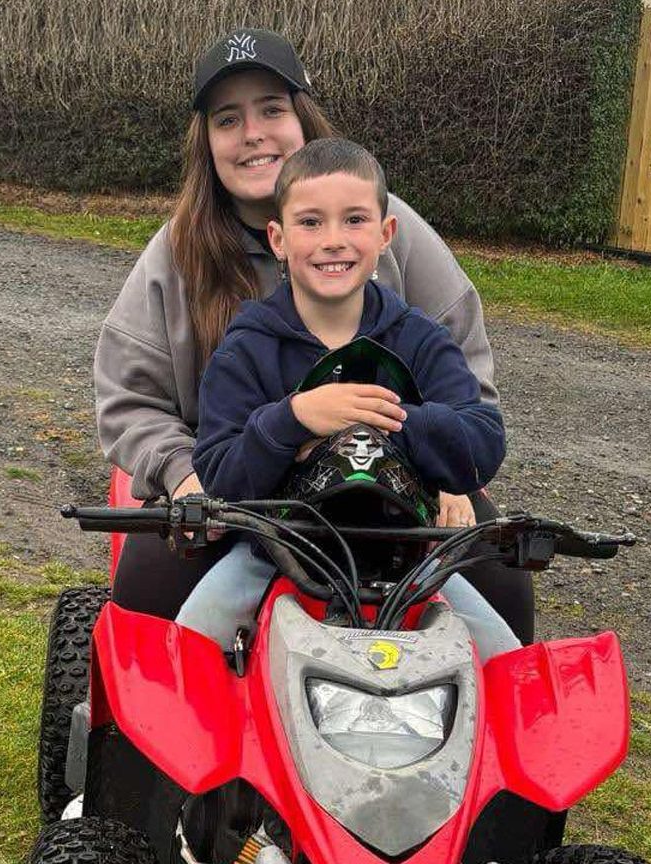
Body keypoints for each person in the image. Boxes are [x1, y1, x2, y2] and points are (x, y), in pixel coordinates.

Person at [93, 28, 534, 643]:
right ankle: (143, 733)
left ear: (303, 119)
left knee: (504, 581)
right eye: (228, 119)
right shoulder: (178, 253)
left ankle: (487, 725)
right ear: (208, 143)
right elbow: (130, 400)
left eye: (272, 110)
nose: (253, 134)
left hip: (403, 476)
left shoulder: (391, 228)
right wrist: (187, 476)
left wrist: (451, 478)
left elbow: (466, 391)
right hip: (238, 482)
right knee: (148, 586)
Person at [178, 138, 519, 658]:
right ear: (278, 238)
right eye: (310, 223)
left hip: (409, 558)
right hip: (275, 553)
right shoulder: (247, 349)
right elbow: (220, 474)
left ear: (386, 235)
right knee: (188, 650)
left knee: (506, 662)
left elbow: (482, 442)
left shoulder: (421, 339)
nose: (333, 240)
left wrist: (392, 424)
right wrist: (293, 418)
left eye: (354, 220)